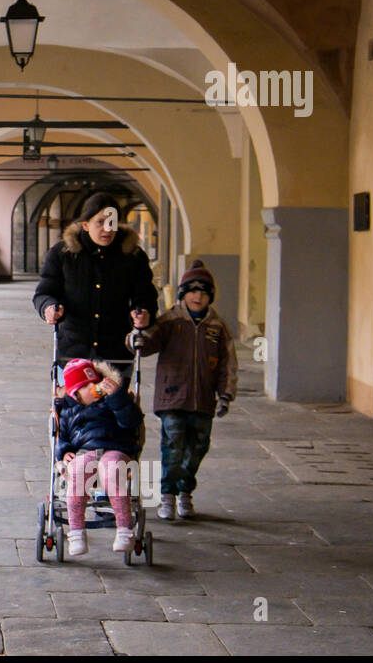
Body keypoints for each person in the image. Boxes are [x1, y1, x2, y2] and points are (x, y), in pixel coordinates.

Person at [129, 259, 238, 520]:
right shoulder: (170, 321)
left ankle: (185, 490)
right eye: (191, 291)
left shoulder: (217, 326)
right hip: (171, 397)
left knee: (198, 447)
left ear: (210, 296)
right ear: (182, 294)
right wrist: (138, 334)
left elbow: (228, 363)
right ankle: (167, 494)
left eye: (203, 292)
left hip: (203, 399)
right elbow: (147, 342)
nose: (197, 296)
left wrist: (226, 394)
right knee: (173, 445)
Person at [34, 192, 160, 378]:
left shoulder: (133, 256)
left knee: (117, 407)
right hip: (73, 353)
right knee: (73, 407)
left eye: (113, 222)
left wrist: (143, 312)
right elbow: (44, 292)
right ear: (85, 224)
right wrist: (48, 307)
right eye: (100, 222)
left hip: (116, 354)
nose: (107, 229)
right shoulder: (62, 254)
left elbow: (146, 296)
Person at [54, 358, 144, 556]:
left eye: (94, 383)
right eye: (86, 386)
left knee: (112, 471)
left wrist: (117, 398)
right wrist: (64, 452)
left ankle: (125, 529)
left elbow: (132, 421)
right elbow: (63, 436)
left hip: (116, 449)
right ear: (75, 393)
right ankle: (76, 532)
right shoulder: (69, 411)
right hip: (85, 452)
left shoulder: (112, 401)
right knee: (77, 473)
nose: (93, 388)